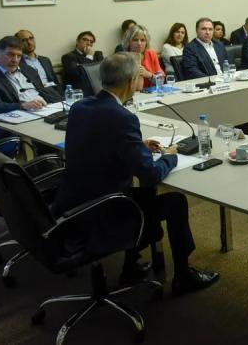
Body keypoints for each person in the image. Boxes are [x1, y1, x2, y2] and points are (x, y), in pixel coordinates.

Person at [53, 53, 219, 295]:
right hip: (103, 209)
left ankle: (131, 266)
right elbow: (151, 174)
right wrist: (170, 155)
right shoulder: (122, 117)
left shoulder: (80, 107)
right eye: (140, 75)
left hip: (72, 202)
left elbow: (97, 142)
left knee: (142, 194)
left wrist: (137, 144)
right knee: (174, 202)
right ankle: (183, 276)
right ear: (132, 81)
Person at [0, 36, 61, 115]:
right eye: (10, 54)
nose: (15, 60)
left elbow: (43, 91)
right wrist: (23, 105)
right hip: (19, 118)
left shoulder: (29, 70)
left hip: (46, 110)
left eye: (19, 56)